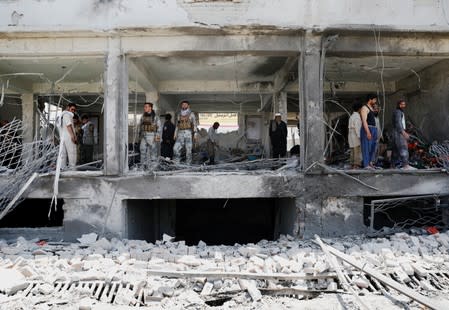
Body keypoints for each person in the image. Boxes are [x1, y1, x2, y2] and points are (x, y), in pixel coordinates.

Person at [391, 99, 416, 170]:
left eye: (404, 104)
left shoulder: (398, 112)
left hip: (395, 133)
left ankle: (392, 166)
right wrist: (403, 132)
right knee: (403, 148)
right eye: (402, 104)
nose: (403, 106)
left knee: (395, 150)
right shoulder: (398, 112)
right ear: (398, 105)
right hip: (399, 133)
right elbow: (398, 123)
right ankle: (406, 165)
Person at [173, 100, 198, 164]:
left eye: (185, 104)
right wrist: (175, 134)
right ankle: (176, 163)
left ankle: (188, 164)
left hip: (188, 133)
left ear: (188, 106)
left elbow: (195, 124)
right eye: (183, 104)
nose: (184, 105)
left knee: (188, 150)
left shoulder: (191, 114)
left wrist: (195, 134)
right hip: (180, 133)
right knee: (175, 148)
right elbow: (177, 125)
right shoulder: (179, 114)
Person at [139, 102, 161, 167]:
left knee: (153, 152)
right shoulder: (143, 116)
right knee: (142, 150)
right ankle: (142, 166)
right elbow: (140, 126)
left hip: (152, 136)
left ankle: (153, 167)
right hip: (144, 136)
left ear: (150, 108)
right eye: (144, 107)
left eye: (146, 107)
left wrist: (157, 136)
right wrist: (140, 136)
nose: (144, 108)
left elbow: (159, 127)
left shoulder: (155, 117)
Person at [360, 94, 378, 169]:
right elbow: (364, 121)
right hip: (368, 129)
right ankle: (366, 164)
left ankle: (370, 163)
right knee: (366, 147)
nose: (375, 101)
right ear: (370, 99)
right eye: (374, 99)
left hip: (373, 129)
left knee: (372, 147)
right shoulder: (364, 108)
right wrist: (368, 132)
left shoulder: (371, 108)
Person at [58, 103, 77, 169]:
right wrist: (73, 136)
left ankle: (63, 168)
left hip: (63, 137)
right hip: (68, 136)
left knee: (63, 153)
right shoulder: (67, 115)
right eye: (72, 109)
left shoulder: (62, 115)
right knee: (72, 152)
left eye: (74, 110)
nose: (73, 111)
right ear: (68, 107)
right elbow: (69, 126)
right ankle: (72, 168)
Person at [348, 102, 363, 169]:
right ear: (359, 109)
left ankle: (352, 164)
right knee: (357, 150)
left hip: (351, 135)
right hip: (355, 135)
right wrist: (360, 136)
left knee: (352, 151)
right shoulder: (357, 117)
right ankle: (356, 165)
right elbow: (357, 128)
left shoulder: (352, 116)